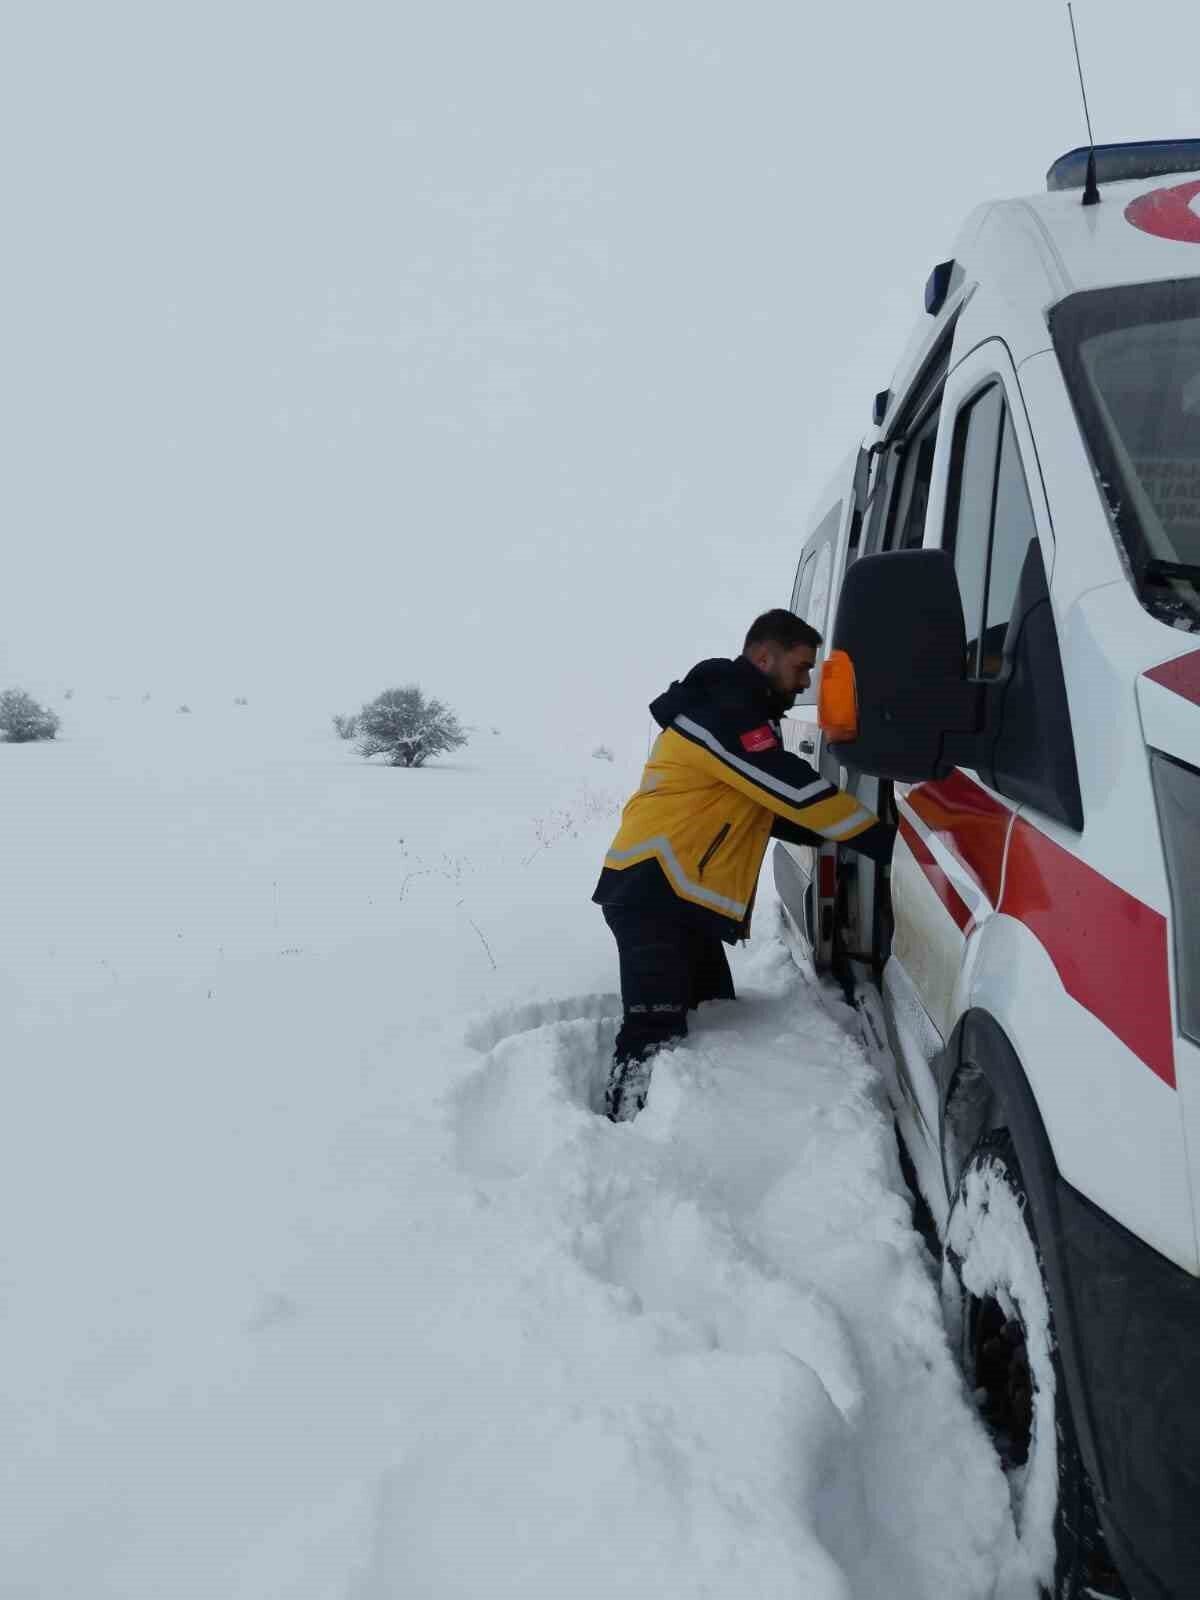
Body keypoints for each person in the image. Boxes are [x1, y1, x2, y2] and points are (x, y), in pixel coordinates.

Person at [593, 608, 893, 1122]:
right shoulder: (721, 709)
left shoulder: (741, 711)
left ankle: (683, 1130)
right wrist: (883, 841)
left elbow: (763, 808)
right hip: (652, 893)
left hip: (680, 899)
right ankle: (622, 1134)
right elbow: (789, 787)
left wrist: (830, 835)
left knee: (715, 1019)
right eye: (801, 667)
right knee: (653, 1035)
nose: (805, 683)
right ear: (764, 657)